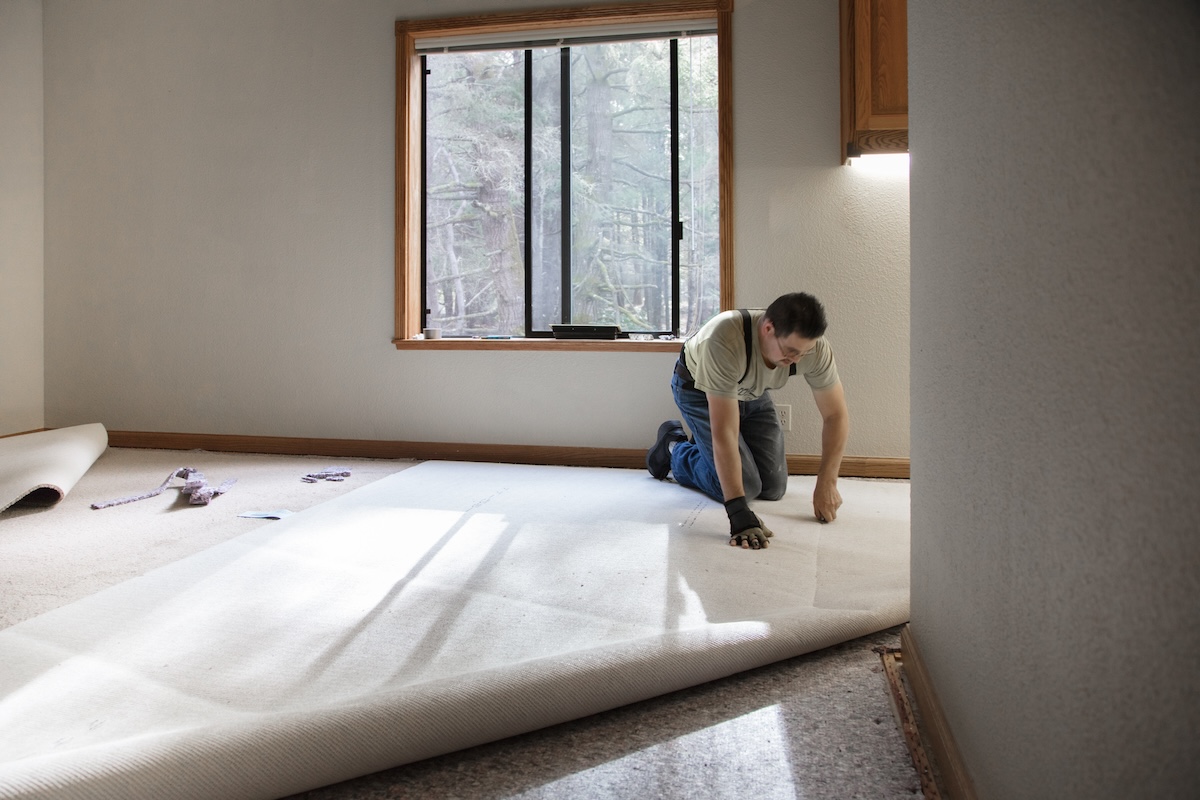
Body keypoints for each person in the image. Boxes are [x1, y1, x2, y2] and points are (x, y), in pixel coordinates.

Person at [646, 293, 849, 550]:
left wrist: (827, 482)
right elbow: (725, 433)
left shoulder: (814, 349)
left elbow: (835, 416)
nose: (798, 360)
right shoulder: (725, 339)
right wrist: (738, 513)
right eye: (791, 352)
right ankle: (674, 448)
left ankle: (704, 448)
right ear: (768, 329)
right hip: (698, 391)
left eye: (805, 352)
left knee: (774, 487)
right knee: (747, 486)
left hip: (752, 391)